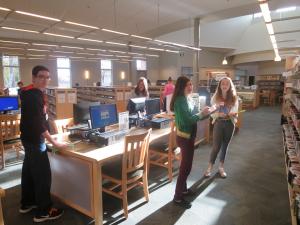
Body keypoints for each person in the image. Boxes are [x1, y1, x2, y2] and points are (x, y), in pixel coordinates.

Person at [20, 65, 67, 223]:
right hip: (35, 140)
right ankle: (44, 211)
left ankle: (27, 203)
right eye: (41, 76)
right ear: (33, 78)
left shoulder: (30, 93)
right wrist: (54, 142)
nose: (45, 80)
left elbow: (39, 119)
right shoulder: (34, 96)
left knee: (29, 172)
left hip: (27, 139)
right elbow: (38, 124)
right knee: (42, 176)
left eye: (47, 77)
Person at [170, 76, 210, 209]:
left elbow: (194, 115)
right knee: (185, 168)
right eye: (187, 85)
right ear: (181, 86)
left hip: (189, 136)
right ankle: (177, 196)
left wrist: (207, 113)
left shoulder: (187, 98)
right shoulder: (180, 100)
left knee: (185, 165)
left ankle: (184, 190)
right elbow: (188, 120)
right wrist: (201, 114)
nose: (190, 87)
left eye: (191, 84)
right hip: (185, 137)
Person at [204, 77, 238, 178]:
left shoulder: (234, 97)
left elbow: (236, 113)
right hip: (219, 123)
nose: (224, 85)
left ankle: (221, 168)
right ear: (220, 85)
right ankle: (209, 167)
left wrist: (234, 114)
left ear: (230, 85)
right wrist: (218, 114)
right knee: (216, 147)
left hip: (229, 124)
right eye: (223, 83)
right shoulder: (215, 98)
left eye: (227, 83)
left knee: (225, 147)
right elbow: (211, 113)